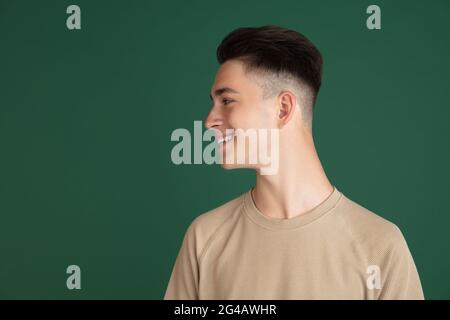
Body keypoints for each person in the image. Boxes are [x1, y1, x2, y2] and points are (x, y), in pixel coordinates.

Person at [164, 25, 424, 300]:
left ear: (283, 108)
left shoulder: (381, 247)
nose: (209, 121)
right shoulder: (204, 239)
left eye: (227, 100)